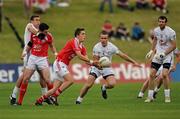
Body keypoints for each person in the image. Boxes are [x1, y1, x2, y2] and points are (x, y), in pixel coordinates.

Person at [35, 28, 99, 106]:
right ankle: (54, 96)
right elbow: (79, 56)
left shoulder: (82, 47)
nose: (84, 36)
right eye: (82, 34)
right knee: (70, 80)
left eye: (85, 34)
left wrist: (96, 65)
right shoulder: (74, 41)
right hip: (59, 62)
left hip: (63, 65)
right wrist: (92, 62)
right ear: (77, 35)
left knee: (55, 89)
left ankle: (39, 100)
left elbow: (86, 60)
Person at [75, 31, 141, 104]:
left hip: (107, 67)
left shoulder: (112, 47)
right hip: (97, 67)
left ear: (108, 39)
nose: (103, 40)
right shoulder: (96, 47)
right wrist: (98, 66)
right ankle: (79, 100)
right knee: (88, 84)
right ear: (100, 39)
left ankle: (104, 87)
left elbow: (122, 55)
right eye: (102, 38)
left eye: (105, 38)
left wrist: (134, 62)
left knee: (112, 84)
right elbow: (95, 60)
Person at [9, 15, 50, 105]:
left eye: (39, 20)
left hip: (37, 55)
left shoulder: (39, 30)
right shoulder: (29, 26)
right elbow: (35, 33)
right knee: (24, 76)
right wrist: (42, 34)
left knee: (42, 76)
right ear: (31, 21)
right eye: (36, 20)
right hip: (29, 55)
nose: (38, 22)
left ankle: (45, 96)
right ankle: (14, 94)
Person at [17, 23, 58, 105]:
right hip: (32, 58)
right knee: (25, 79)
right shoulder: (34, 34)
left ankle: (53, 98)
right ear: (40, 31)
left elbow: (51, 45)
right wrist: (25, 52)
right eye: (45, 32)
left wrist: (55, 53)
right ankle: (19, 101)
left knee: (48, 80)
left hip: (42, 59)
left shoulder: (49, 36)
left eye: (47, 31)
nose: (47, 33)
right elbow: (30, 44)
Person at [145, 16, 176, 103]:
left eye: (162, 22)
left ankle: (167, 97)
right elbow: (155, 40)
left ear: (166, 23)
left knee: (165, 75)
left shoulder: (171, 32)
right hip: (158, 55)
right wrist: (151, 50)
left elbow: (174, 46)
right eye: (160, 21)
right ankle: (150, 97)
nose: (161, 23)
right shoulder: (156, 30)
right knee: (151, 74)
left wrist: (165, 53)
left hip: (167, 56)